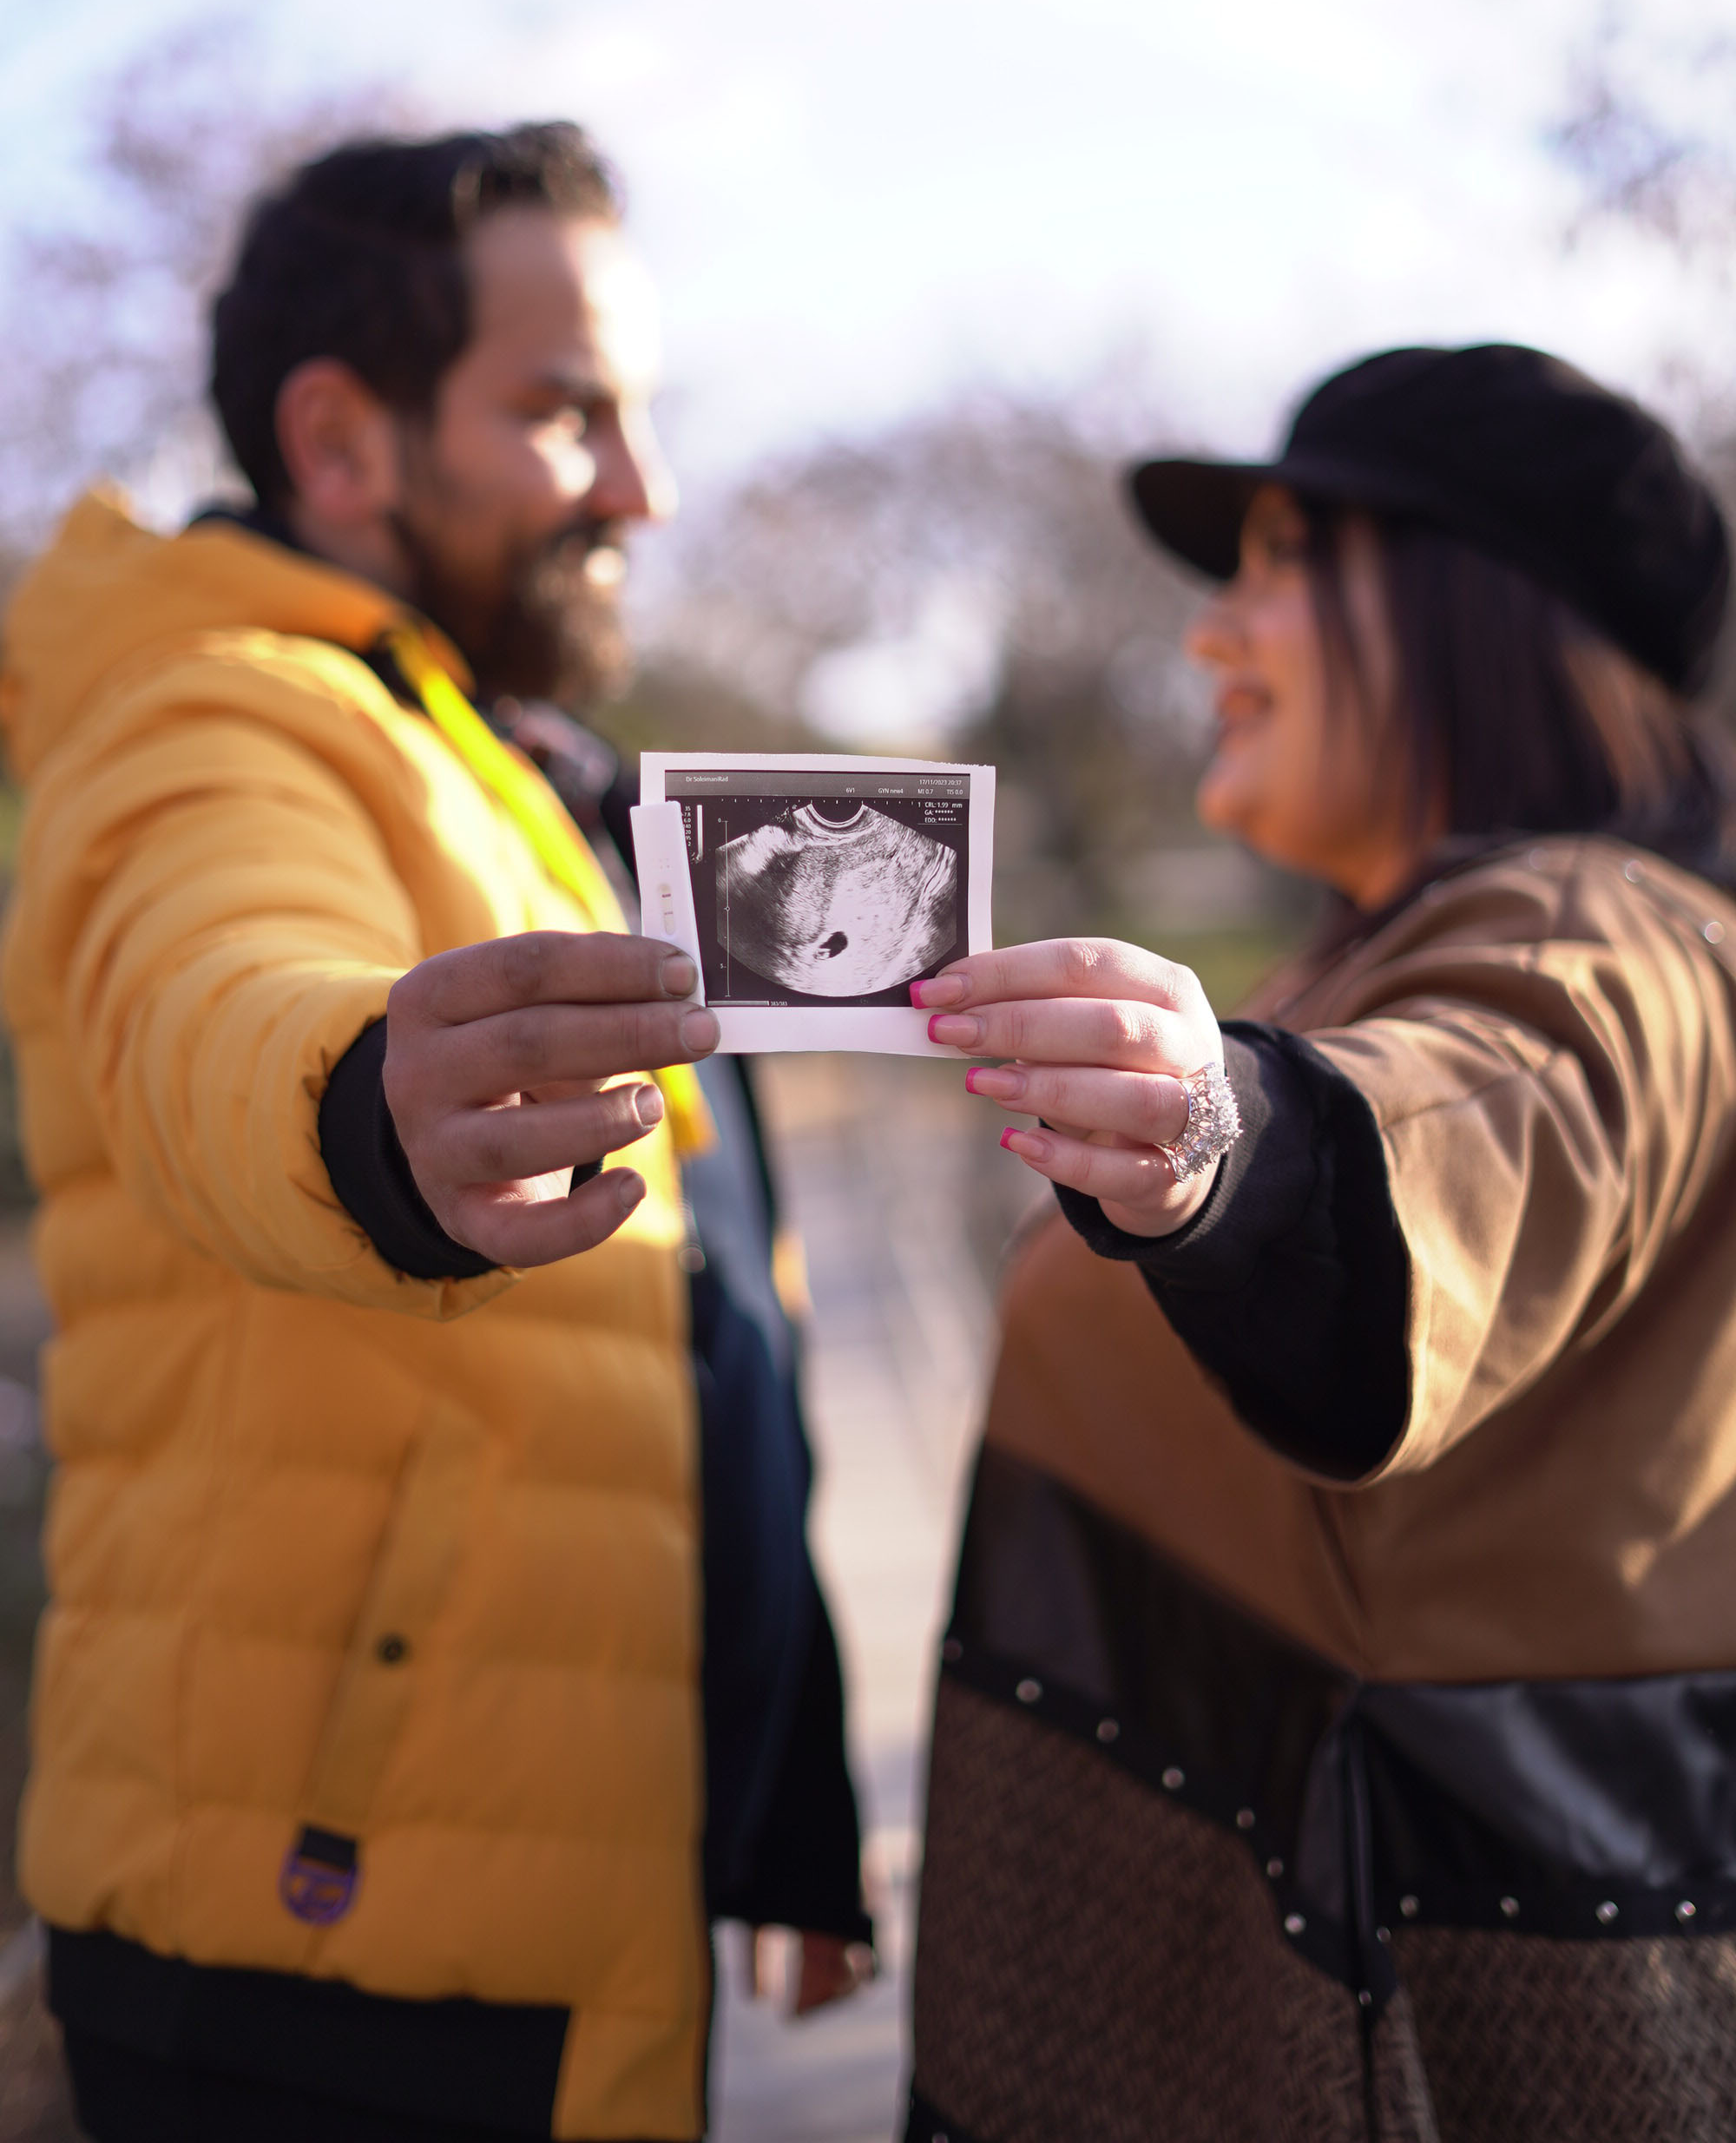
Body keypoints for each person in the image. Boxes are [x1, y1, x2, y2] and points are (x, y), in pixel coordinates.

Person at [0, 122, 871, 2143]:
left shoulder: (511, 761)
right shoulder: (211, 717)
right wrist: (362, 1108)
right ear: (340, 439)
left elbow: (709, 1325)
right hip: (321, 1960)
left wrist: (785, 1792)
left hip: (544, 1894)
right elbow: (214, 992)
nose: (643, 487)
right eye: (567, 413)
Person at [904, 344, 1736, 2143]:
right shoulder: (1373, 947)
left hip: (1403, 2043)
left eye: (1283, 562)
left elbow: (1473, 1119)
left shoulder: (1611, 934)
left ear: (1476, 610)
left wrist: (1235, 1133)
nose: (1212, 630)